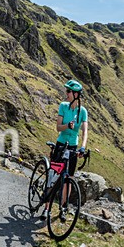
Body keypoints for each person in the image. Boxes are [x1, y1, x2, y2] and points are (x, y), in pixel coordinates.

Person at [43, 79, 89, 218]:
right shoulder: (63, 106)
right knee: (53, 176)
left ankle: (63, 207)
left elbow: (85, 131)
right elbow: (58, 127)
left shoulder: (83, 111)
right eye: (67, 91)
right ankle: (46, 208)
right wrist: (67, 126)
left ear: (76, 94)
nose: (66, 93)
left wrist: (82, 147)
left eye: (69, 91)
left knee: (68, 178)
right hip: (61, 143)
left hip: (73, 146)